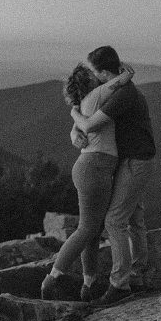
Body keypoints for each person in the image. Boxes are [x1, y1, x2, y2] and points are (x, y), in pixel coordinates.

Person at [40, 61, 135, 302]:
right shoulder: (97, 96)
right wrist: (125, 73)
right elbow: (122, 79)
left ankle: (89, 284)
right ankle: (52, 279)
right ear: (89, 83)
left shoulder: (85, 104)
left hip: (87, 167)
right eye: (94, 76)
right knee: (87, 228)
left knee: (92, 228)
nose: (98, 77)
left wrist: (73, 114)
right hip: (96, 168)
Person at [70, 45, 156, 305]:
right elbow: (84, 126)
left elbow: (89, 124)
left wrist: (73, 112)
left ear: (105, 73)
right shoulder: (116, 89)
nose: (92, 77)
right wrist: (74, 132)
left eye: (95, 72)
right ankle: (137, 276)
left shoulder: (123, 94)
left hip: (135, 161)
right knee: (134, 217)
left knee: (114, 221)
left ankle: (120, 285)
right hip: (131, 159)